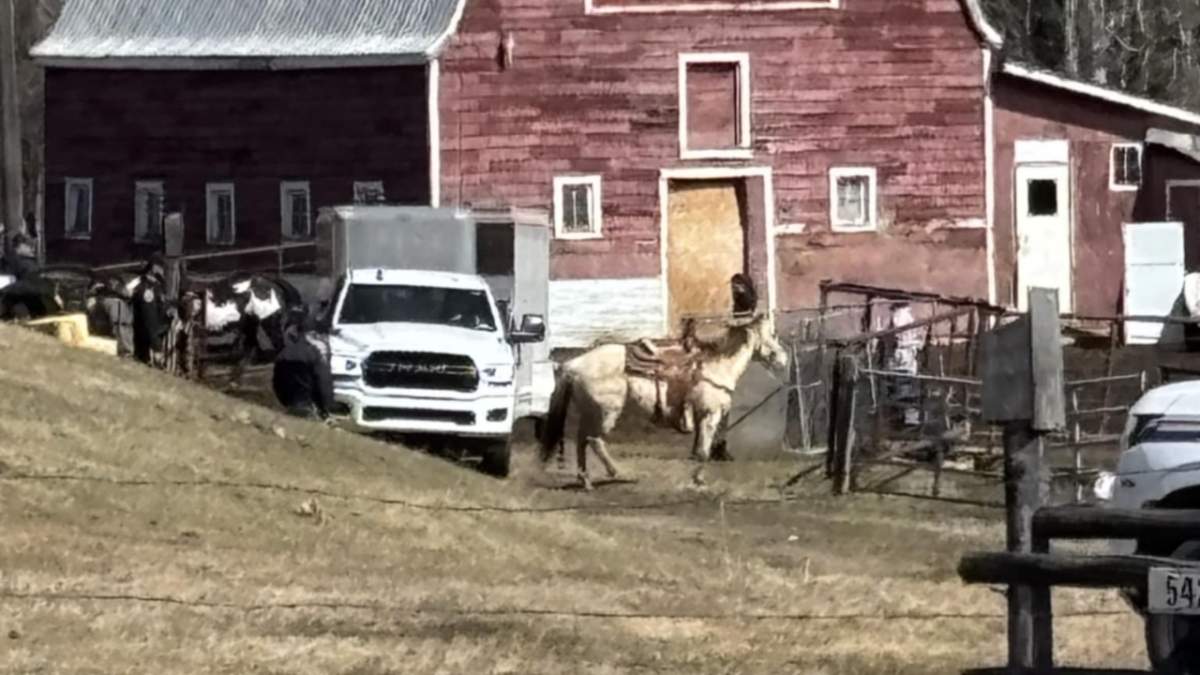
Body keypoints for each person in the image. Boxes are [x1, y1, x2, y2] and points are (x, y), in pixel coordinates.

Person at [272, 308, 335, 421]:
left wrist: (285, 402)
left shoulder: (282, 355)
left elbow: (277, 384)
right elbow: (323, 383)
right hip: (308, 407)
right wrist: (326, 408)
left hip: (289, 406)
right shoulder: (313, 354)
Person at [130, 256, 168, 365]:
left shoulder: (155, 286)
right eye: (161, 268)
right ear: (154, 269)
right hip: (145, 343)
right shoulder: (147, 288)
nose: (163, 272)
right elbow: (149, 318)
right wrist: (156, 346)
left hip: (148, 338)